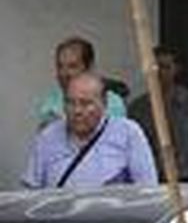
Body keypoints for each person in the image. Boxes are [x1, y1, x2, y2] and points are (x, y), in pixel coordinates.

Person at [22, 71, 158, 188]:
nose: (77, 111)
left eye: (85, 103)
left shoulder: (128, 133)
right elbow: (31, 190)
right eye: (70, 102)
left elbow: (147, 188)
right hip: (58, 217)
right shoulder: (48, 137)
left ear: (104, 103)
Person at [129, 47, 188, 181]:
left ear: (176, 69)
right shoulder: (138, 107)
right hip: (153, 175)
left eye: (165, 67)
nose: (160, 73)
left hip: (187, 174)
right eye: (155, 68)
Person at [35, 35, 126, 127]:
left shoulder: (113, 104)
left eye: (72, 66)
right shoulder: (50, 104)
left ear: (89, 68)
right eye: (60, 66)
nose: (64, 73)